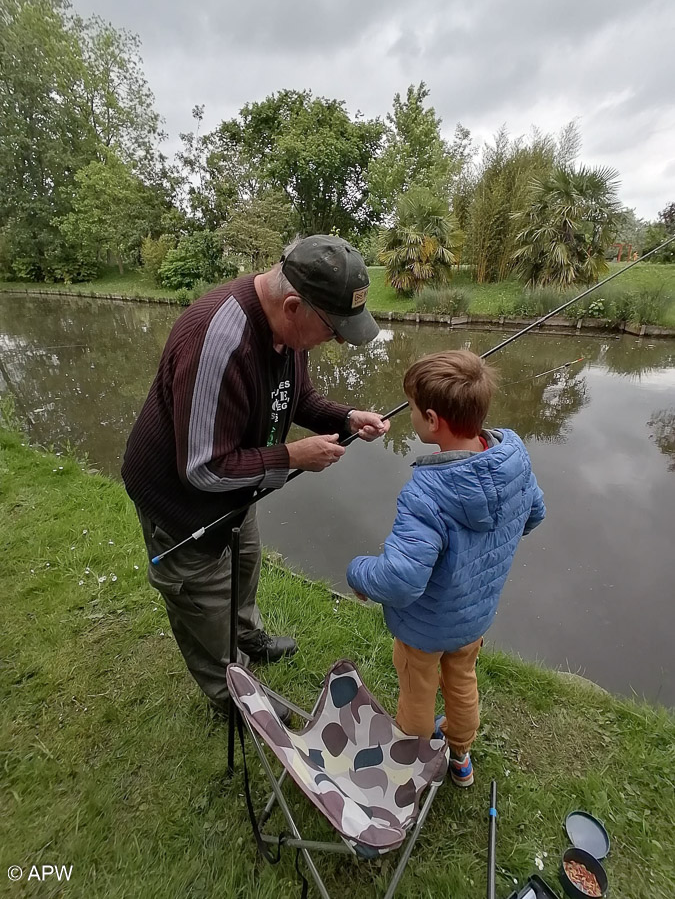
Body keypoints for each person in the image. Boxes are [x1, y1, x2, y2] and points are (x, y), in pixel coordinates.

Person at [122, 235, 389, 720]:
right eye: (334, 330)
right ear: (294, 305)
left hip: (237, 489)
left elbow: (297, 399)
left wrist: (346, 417)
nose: (337, 341)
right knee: (204, 600)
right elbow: (202, 468)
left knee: (245, 563)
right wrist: (290, 456)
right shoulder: (218, 341)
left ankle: (248, 636)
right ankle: (235, 694)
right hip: (181, 505)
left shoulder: (288, 330)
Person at [346, 350, 545, 786]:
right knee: (461, 681)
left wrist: (358, 571)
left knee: (418, 690)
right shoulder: (514, 456)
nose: (412, 416)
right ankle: (460, 759)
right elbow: (534, 514)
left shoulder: (426, 494)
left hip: (424, 627)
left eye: (414, 410)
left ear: (432, 420)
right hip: (475, 615)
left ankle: (410, 768)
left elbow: (400, 580)